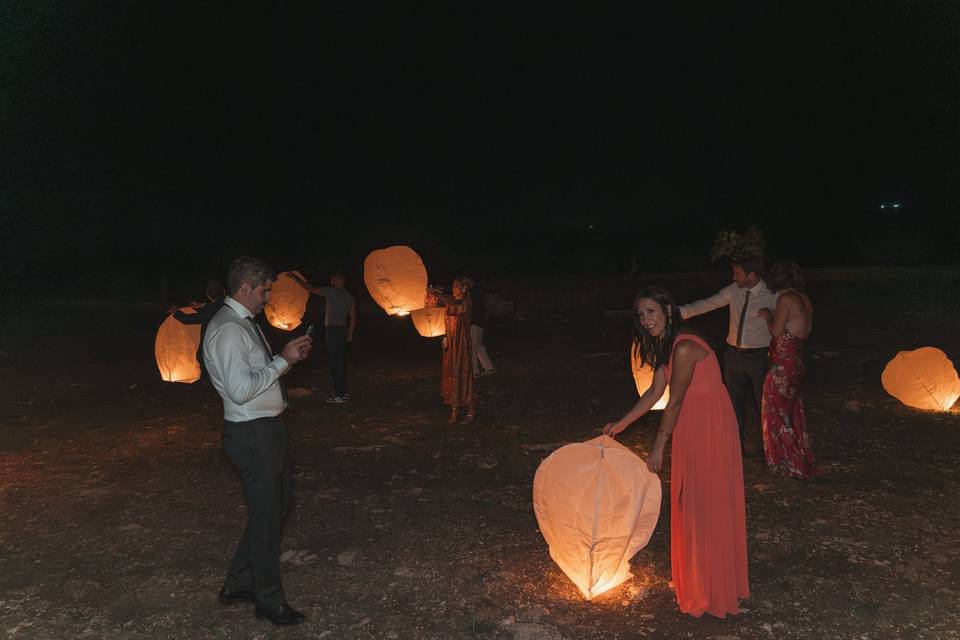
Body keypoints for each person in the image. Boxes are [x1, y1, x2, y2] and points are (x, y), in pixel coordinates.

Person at [603, 286, 748, 618]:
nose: (646, 319)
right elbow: (656, 391)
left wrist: (658, 446)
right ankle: (701, 576)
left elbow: (676, 399)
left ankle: (712, 586)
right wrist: (622, 423)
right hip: (691, 421)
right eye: (641, 314)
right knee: (692, 500)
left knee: (705, 500)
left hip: (707, 423)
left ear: (668, 311)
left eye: (651, 311)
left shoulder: (684, 347)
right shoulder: (668, 346)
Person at [203, 256, 313, 627]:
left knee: (276, 507)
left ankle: (238, 582)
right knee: (267, 519)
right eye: (264, 290)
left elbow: (255, 374)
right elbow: (240, 390)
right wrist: (283, 361)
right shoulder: (230, 329)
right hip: (253, 434)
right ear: (246, 287)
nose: (268, 298)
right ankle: (268, 601)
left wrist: (287, 357)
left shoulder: (243, 323)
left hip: (266, 430)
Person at [679, 255, 775, 454]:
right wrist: (678, 312)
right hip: (733, 355)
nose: (733, 277)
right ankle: (735, 448)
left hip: (759, 356)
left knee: (763, 406)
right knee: (732, 406)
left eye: (737, 273)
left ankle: (767, 449)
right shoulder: (734, 291)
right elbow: (707, 303)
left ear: (752, 275)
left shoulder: (772, 294)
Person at [757, 260, 817, 479]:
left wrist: (767, 316)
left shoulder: (786, 299)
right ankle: (795, 456)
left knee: (776, 407)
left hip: (784, 361)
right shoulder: (805, 300)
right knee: (791, 408)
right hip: (798, 359)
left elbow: (776, 331)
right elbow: (805, 330)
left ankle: (786, 461)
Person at [290, 270, 357, 404]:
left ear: (339, 280)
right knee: (340, 362)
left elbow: (310, 288)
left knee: (335, 362)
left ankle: (340, 395)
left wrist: (296, 279)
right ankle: (342, 392)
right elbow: (353, 318)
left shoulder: (330, 292)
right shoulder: (350, 297)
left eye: (333, 279)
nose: (331, 282)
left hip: (333, 330)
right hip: (342, 330)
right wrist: (349, 334)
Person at [430, 276, 476, 424]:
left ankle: (470, 409)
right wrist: (435, 292)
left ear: (463, 288)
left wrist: (438, 294)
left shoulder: (464, 302)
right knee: (450, 373)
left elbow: (454, 302)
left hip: (461, 343)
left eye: (456, 286)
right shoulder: (451, 300)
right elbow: (443, 303)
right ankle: (454, 409)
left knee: (462, 373)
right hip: (451, 342)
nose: (454, 288)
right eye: (453, 286)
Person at [173, 278, 226, 379]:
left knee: (201, 357)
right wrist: (202, 305)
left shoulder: (211, 311)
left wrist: (176, 312)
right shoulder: (227, 305)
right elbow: (216, 305)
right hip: (225, 343)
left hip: (214, 347)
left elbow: (189, 319)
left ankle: (211, 382)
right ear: (224, 291)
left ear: (208, 294)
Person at [469, 277, 496, 377]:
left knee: (473, 346)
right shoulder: (477, 290)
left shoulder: (472, 291)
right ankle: (488, 368)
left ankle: (475, 370)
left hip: (475, 322)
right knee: (478, 345)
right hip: (480, 321)